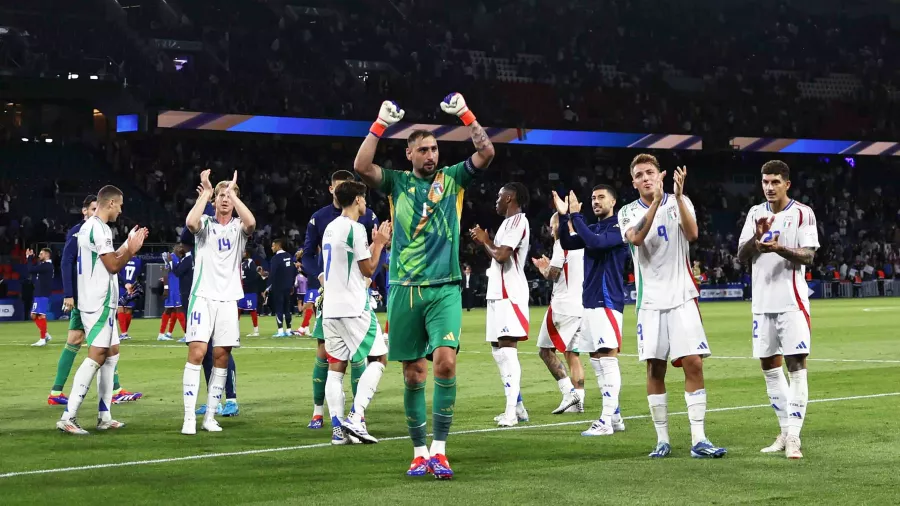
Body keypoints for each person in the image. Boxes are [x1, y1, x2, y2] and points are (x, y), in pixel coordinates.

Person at [354, 93, 495, 478]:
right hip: (404, 288)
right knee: (413, 373)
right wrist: (379, 123)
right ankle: (418, 452)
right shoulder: (396, 184)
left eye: (434, 148)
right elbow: (361, 165)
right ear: (409, 155)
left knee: (445, 363)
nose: (431, 155)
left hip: (445, 286)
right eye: (424, 150)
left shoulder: (452, 179)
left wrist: (466, 113)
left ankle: (440, 450)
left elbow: (486, 153)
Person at [617, 154, 726, 459]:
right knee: (656, 368)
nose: (645, 178)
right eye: (639, 175)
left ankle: (699, 439)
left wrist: (676, 198)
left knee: (694, 363)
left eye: (650, 172)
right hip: (650, 302)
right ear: (633, 181)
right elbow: (636, 238)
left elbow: (693, 234)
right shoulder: (626, 212)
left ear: (659, 174)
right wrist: (654, 203)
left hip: (682, 298)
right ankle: (662, 440)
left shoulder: (682, 200)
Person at [737, 160, 818, 459]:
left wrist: (780, 248)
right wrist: (757, 243)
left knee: (796, 367)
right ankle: (784, 432)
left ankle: (794, 437)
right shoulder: (755, 213)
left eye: (775, 182)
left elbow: (809, 256)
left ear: (787, 184)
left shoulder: (802, 213)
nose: (769, 187)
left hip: (792, 302)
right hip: (762, 304)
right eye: (765, 182)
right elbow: (740, 255)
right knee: (769, 368)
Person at [56, 185, 148, 434]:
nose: (120, 209)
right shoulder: (100, 228)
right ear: (110, 203)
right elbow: (113, 265)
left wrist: (127, 245)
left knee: (111, 352)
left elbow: (106, 259)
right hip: (98, 302)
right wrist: (130, 249)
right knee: (97, 355)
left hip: (96, 300)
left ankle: (104, 415)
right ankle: (68, 416)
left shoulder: (88, 227)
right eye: (119, 205)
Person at [300, 170, 378, 429]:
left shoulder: (339, 224)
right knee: (371, 357)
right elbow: (310, 256)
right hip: (348, 301)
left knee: (342, 362)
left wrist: (369, 278)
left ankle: (341, 423)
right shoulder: (328, 221)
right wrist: (321, 275)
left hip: (338, 300)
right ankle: (342, 414)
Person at [181, 170, 255, 435]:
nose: (224, 199)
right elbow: (190, 223)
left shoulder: (238, 228)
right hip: (202, 296)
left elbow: (251, 223)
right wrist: (207, 193)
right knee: (198, 352)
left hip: (229, 299)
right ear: (214, 201)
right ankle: (189, 416)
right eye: (221, 196)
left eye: (229, 196)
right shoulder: (205, 224)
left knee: (222, 355)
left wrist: (234, 195)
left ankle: (210, 416)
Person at [321, 181, 392, 444]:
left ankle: (338, 431)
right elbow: (369, 269)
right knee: (379, 357)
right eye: (364, 199)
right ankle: (356, 416)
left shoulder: (330, 228)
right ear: (358, 200)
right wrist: (380, 243)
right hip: (353, 305)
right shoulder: (355, 228)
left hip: (330, 308)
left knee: (336, 369)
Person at [556, 185, 629, 436]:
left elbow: (596, 244)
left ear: (614, 201)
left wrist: (576, 216)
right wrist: (566, 216)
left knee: (607, 358)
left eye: (601, 198)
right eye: (593, 198)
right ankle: (615, 416)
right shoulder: (595, 228)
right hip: (590, 301)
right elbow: (568, 241)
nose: (596, 201)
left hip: (607, 301)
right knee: (597, 360)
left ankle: (606, 420)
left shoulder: (618, 227)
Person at [470, 183, 530, 428]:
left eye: (498, 196)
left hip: (510, 293)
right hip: (497, 292)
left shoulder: (518, 221)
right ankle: (518, 407)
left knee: (507, 350)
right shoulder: (507, 223)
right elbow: (496, 254)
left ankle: (510, 413)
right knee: (497, 350)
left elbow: (502, 255)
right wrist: (485, 242)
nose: (495, 200)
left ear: (509, 198)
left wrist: (485, 240)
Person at [531, 213, 585, 415]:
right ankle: (579, 400)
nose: (551, 229)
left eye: (552, 225)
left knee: (545, 351)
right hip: (581, 307)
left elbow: (553, 275)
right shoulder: (583, 242)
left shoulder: (562, 242)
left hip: (563, 307)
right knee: (573, 354)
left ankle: (568, 393)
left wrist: (544, 268)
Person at [26, 247, 54, 347]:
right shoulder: (43, 265)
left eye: (41, 254)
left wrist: (29, 257)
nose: (39, 255)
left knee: (41, 315)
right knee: (33, 315)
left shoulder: (47, 265)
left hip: (43, 293)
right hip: (38, 293)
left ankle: (42, 339)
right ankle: (45, 334)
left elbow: (30, 269)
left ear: (47, 255)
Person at [268, 238, 295, 337]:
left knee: (279, 308)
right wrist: (292, 284)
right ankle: (288, 330)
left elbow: (273, 273)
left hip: (278, 287)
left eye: (273, 245)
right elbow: (293, 271)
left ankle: (280, 331)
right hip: (288, 287)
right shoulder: (289, 256)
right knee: (287, 309)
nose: (272, 248)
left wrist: (267, 287)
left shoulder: (275, 258)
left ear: (278, 246)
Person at [158, 246, 186, 341]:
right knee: (179, 309)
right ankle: (186, 334)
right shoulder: (172, 257)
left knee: (170, 310)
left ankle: (163, 334)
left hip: (175, 287)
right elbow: (165, 272)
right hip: (174, 289)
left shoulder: (178, 257)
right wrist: (166, 288)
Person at [117, 255, 143, 340]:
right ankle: (125, 333)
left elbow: (117, 273)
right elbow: (138, 275)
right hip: (132, 286)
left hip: (122, 286)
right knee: (128, 310)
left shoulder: (122, 258)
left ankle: (124, 333)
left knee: (120, 308)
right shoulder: (138, 261)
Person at [239, 248, 261, 337]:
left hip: (250, 290)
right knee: (238, 309)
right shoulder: (242, 263)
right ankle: (235, 330)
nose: (243, 253)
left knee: (252, 310)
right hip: (242, 291)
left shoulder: (251, 262)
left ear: (247, 253)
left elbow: (254, 276)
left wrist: (246, 282)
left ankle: (256, 330)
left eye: (244, 251)